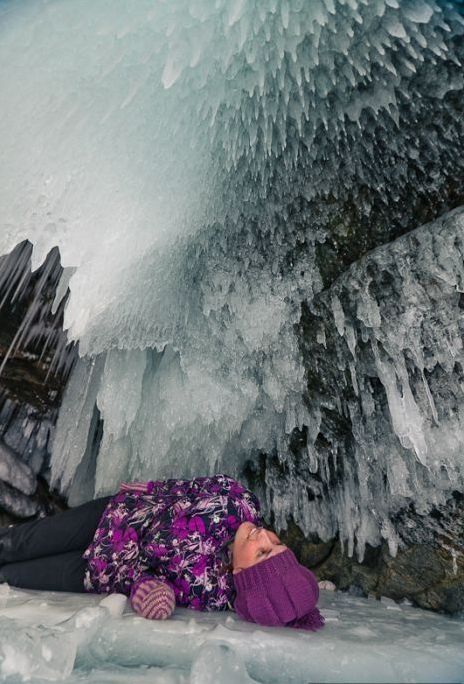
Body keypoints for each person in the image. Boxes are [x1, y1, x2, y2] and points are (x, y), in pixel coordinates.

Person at [0, 474, 324, 630]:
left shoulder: (207, 589)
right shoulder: (241, 502)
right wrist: (154, 489)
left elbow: (150, 580)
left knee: (11, 576)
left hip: (98, 570)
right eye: (276, 543)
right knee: (19, 542)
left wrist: (149, 592)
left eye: (262, 552)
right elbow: (194, 486)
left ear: (241, 573)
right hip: (111, 516)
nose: (263, 535)